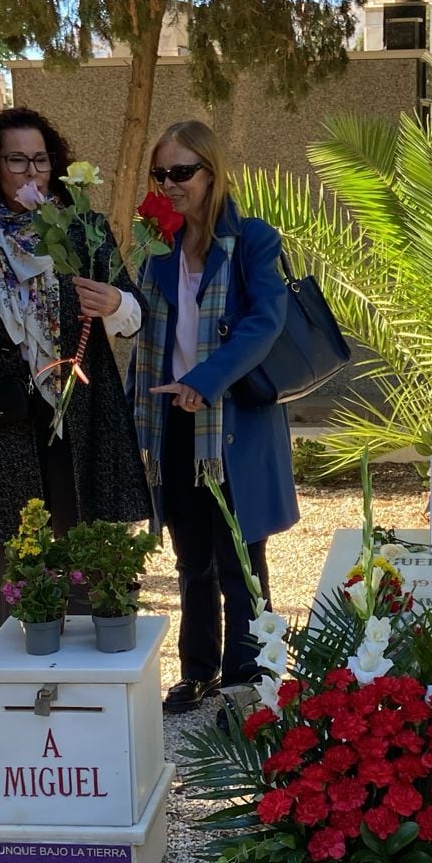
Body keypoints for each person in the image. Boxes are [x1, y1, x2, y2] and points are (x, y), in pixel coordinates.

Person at [0, 109, 151, 631]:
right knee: (11, 539)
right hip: (5, 417)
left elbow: (134, 318)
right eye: (16, 159)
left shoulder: (82, 229)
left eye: (40, 159)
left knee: (88, 530)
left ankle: (94, 668)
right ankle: (17, 673)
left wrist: (114, 303)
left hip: (84, 405)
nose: (31, 172)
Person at [131, 120, 299, 713]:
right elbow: (136, 314)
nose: (170, 184)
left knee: (240, 556)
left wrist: (204, 382)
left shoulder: (251, 239)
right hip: (172, 420)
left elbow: (264, 323)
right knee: (190, 557)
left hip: (231, 422)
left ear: (211, 172)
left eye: (182, 172)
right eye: (162, 174)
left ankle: (246, 679)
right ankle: (197, 670)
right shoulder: (156, 243)